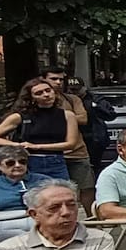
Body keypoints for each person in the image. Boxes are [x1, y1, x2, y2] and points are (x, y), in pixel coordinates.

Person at [0, 78, 79, 180]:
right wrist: (17, 145)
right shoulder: (20, 116)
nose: (46, 95)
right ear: (31, 98)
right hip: (29, 161)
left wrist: (36, 146)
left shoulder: (67, 115)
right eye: (39, 93)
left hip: (56, 161)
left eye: (48, 90)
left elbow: (71, 144)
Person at [42, 68, 97, 212]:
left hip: (77, 152)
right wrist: (70, 118)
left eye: (61, 79)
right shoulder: (37, 101)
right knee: (52, 191)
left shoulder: (72, 99)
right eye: (54, 79)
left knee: (87, 187)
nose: (58, 82)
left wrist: (56, 118)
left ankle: (92, 218)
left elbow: (83, 118)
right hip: (50, 153)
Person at [67, 78, 115, 174]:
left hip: (94, 138)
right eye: (71, 90)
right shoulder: (67, 100)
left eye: (76, 90)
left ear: (84, 88)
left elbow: (110, 115)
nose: (74, 92)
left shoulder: (95, 99)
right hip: (76, 138)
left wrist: (95, 107)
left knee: (95, 166)